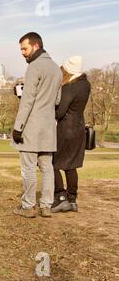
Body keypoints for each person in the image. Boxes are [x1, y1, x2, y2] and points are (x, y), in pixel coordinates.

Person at [12, 32, 62, 218]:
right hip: (49, 126)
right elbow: (57, 99)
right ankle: (46, 206)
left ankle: (28, 207)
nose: (22, 53)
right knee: (47, 168)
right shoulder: (57, 69)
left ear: (35, 46)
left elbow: (28, 101)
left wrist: (18, 127)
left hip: (31, 126)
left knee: (29, 168)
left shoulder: (34, 67)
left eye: (24, 48)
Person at [51, 56, 91, 213]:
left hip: (65, 130)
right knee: (71, 165)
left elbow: (60, 112)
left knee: (51, 162)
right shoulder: (85, 84)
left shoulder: (70, 87)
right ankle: (72, 199)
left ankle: (60, 197)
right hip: (79, 128)